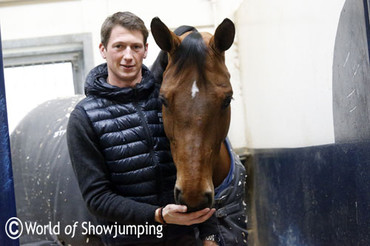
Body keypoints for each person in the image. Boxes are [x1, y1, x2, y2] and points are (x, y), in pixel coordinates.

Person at [66, 11, 219, 246]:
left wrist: (210, 235)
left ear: (146, 51)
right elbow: (97, 198)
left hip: (184, 239)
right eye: (119, 46)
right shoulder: (84, 118)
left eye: (136, 47)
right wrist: (158, 216)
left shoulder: (169, 100)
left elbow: (198, 162)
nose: (128, 56)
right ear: (103, 49)